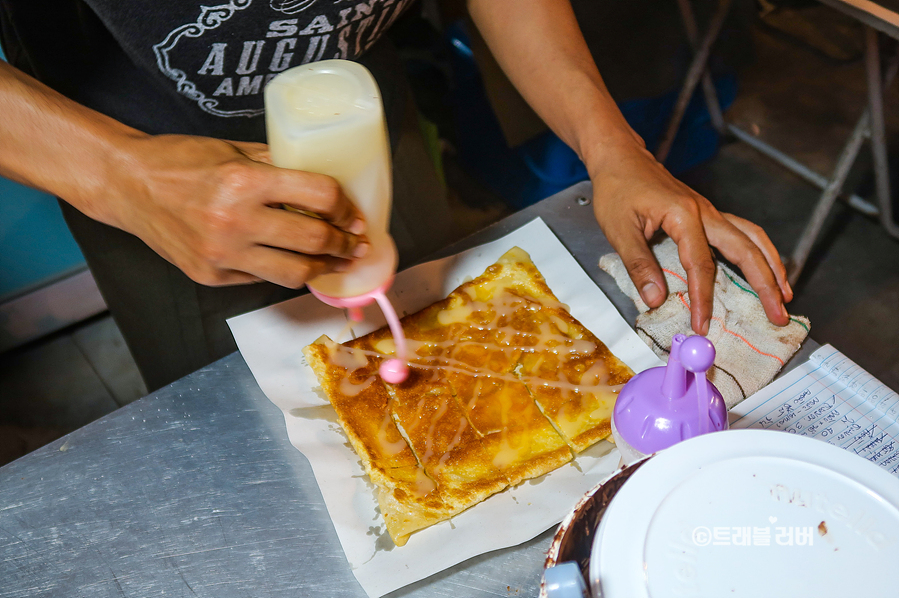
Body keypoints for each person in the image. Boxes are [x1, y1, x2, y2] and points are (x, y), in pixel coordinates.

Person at [0, 0, 792, 391]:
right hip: (130, 144)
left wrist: (612, 147)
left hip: (367, 102)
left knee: (448, 351)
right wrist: (117, 173)